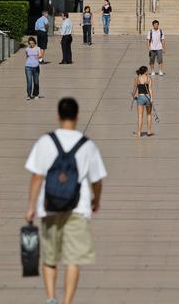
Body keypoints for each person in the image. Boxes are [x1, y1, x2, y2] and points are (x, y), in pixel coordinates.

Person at [25, 97, 107, 304]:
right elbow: (97, 179)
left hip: (49, 207)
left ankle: (51, 297)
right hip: (77, 208)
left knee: (50, 257)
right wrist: (96, 199)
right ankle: (67, 301)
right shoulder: (87, 145)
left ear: (58, 116)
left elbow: (36, 177)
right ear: (77, 116)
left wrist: (31, 206)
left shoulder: (46, 141)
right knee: (73, 259)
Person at [131, 66, 154, 138]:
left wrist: (132, 96)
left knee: (140, 116)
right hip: (147, 97)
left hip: (140, 97)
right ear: (145, 71)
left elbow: (135, 89)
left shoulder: (137, 79)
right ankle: (149, 131)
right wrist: (152, 98)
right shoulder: (149, 79)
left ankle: (139, 132)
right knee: (149, 114)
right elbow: (150, 89)